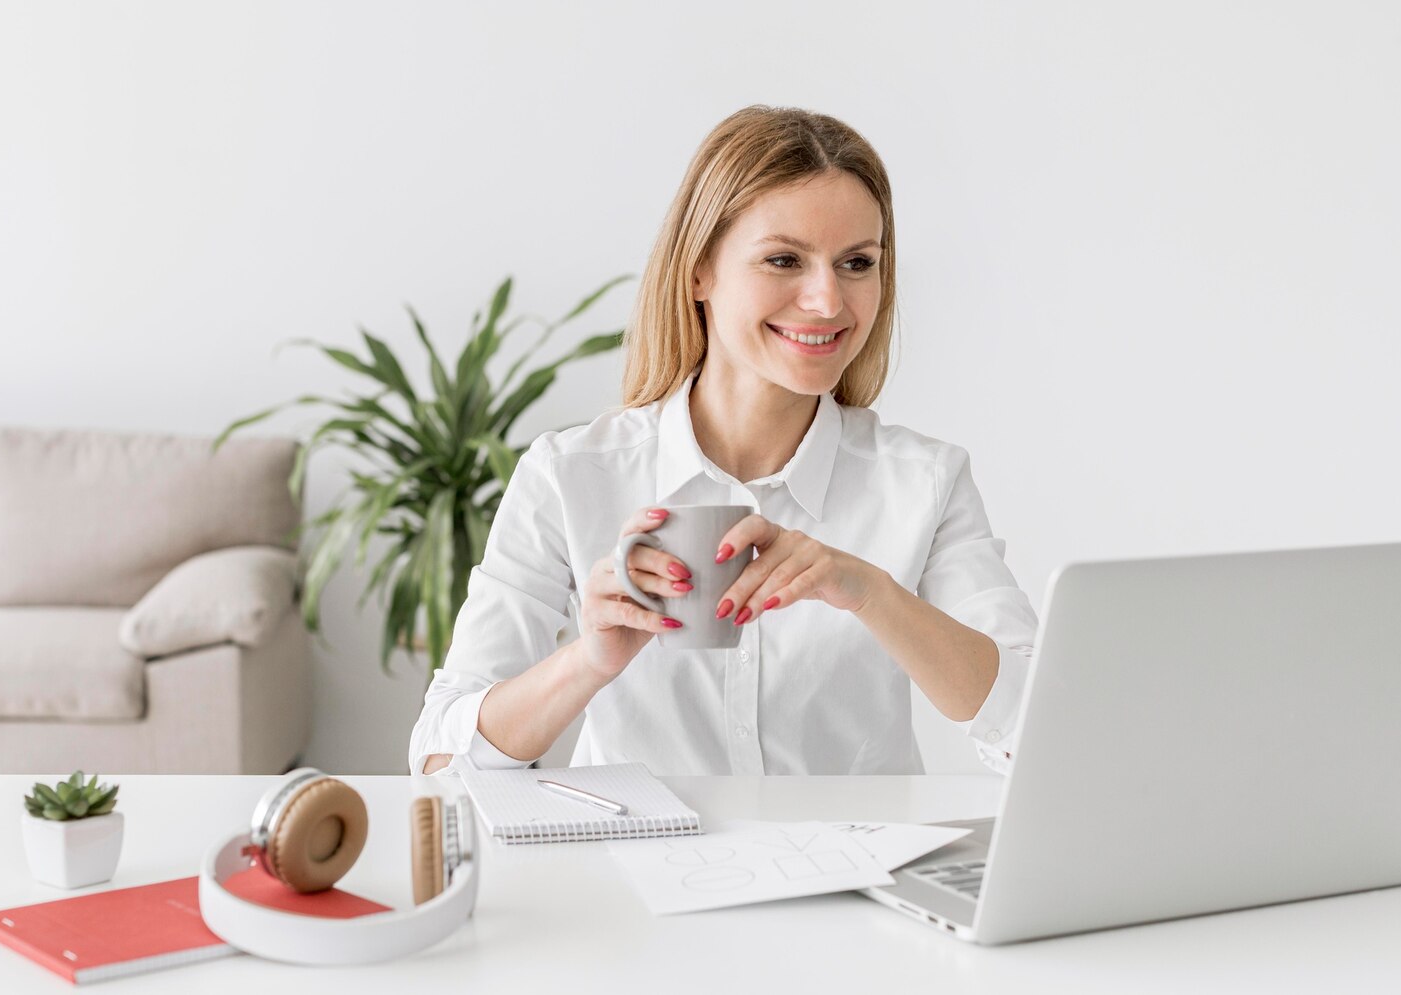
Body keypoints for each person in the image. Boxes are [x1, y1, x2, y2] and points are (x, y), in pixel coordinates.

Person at [409, 105, 1039, 778]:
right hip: (636, 872)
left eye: (857, 262)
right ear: (699, 271)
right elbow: (441, 760)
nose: (829, 300)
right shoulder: (571, 474)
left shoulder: (924, 481)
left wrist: (871, 593)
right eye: (783, 259)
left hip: (852, 875)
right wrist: (588, 661)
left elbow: (1039, 726)